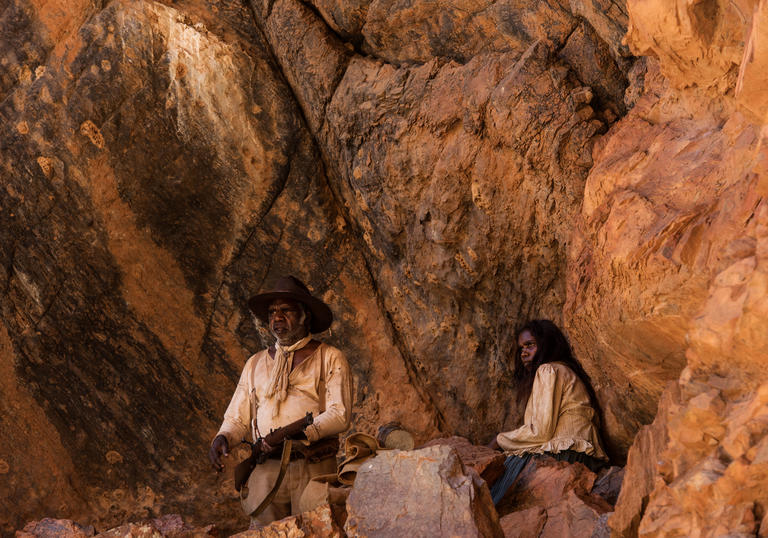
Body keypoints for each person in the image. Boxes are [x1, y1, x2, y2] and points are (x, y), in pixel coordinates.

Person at [209, 275, 352, 526]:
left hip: (313, 466)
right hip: (267, 470)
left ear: (305, 314)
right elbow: (236, 417)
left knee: (318, 530)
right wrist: (223, 437)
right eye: (273, 311)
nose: (277, 317)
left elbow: (339, 414)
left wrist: (300, 432)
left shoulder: (330, 357)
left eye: (286, 310)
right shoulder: (254, 363)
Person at [489, 319, 608, 505]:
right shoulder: (564, 370)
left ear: (547, 344)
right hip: (584, 456)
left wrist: (499, 440)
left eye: (530, 345)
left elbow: (541, 432)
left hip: (565, 453)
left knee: (501, 480)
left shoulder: (548, 370)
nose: (524, 353)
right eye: (521, 348)